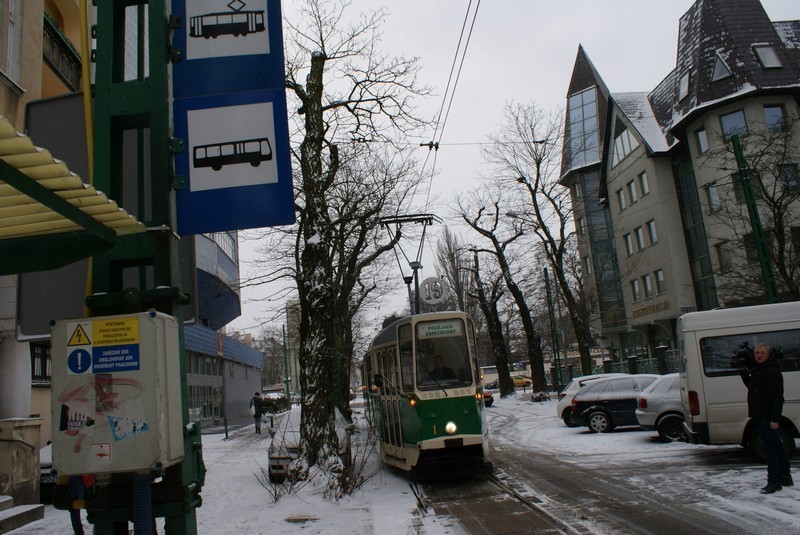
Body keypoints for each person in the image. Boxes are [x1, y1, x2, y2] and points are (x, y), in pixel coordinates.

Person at [739, 342, 793, 494]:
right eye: (757, 353)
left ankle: (774, 482)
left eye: (762, 353)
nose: (759, 356)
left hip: (768, 416)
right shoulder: (759, 369)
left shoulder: (772, 371)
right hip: (760, 414)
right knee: (776, 446)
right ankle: (785, 476)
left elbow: (778, 398)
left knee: (770, 449)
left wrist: (775, 420)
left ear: (768, 354)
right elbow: (753, 386)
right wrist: (743, 372)